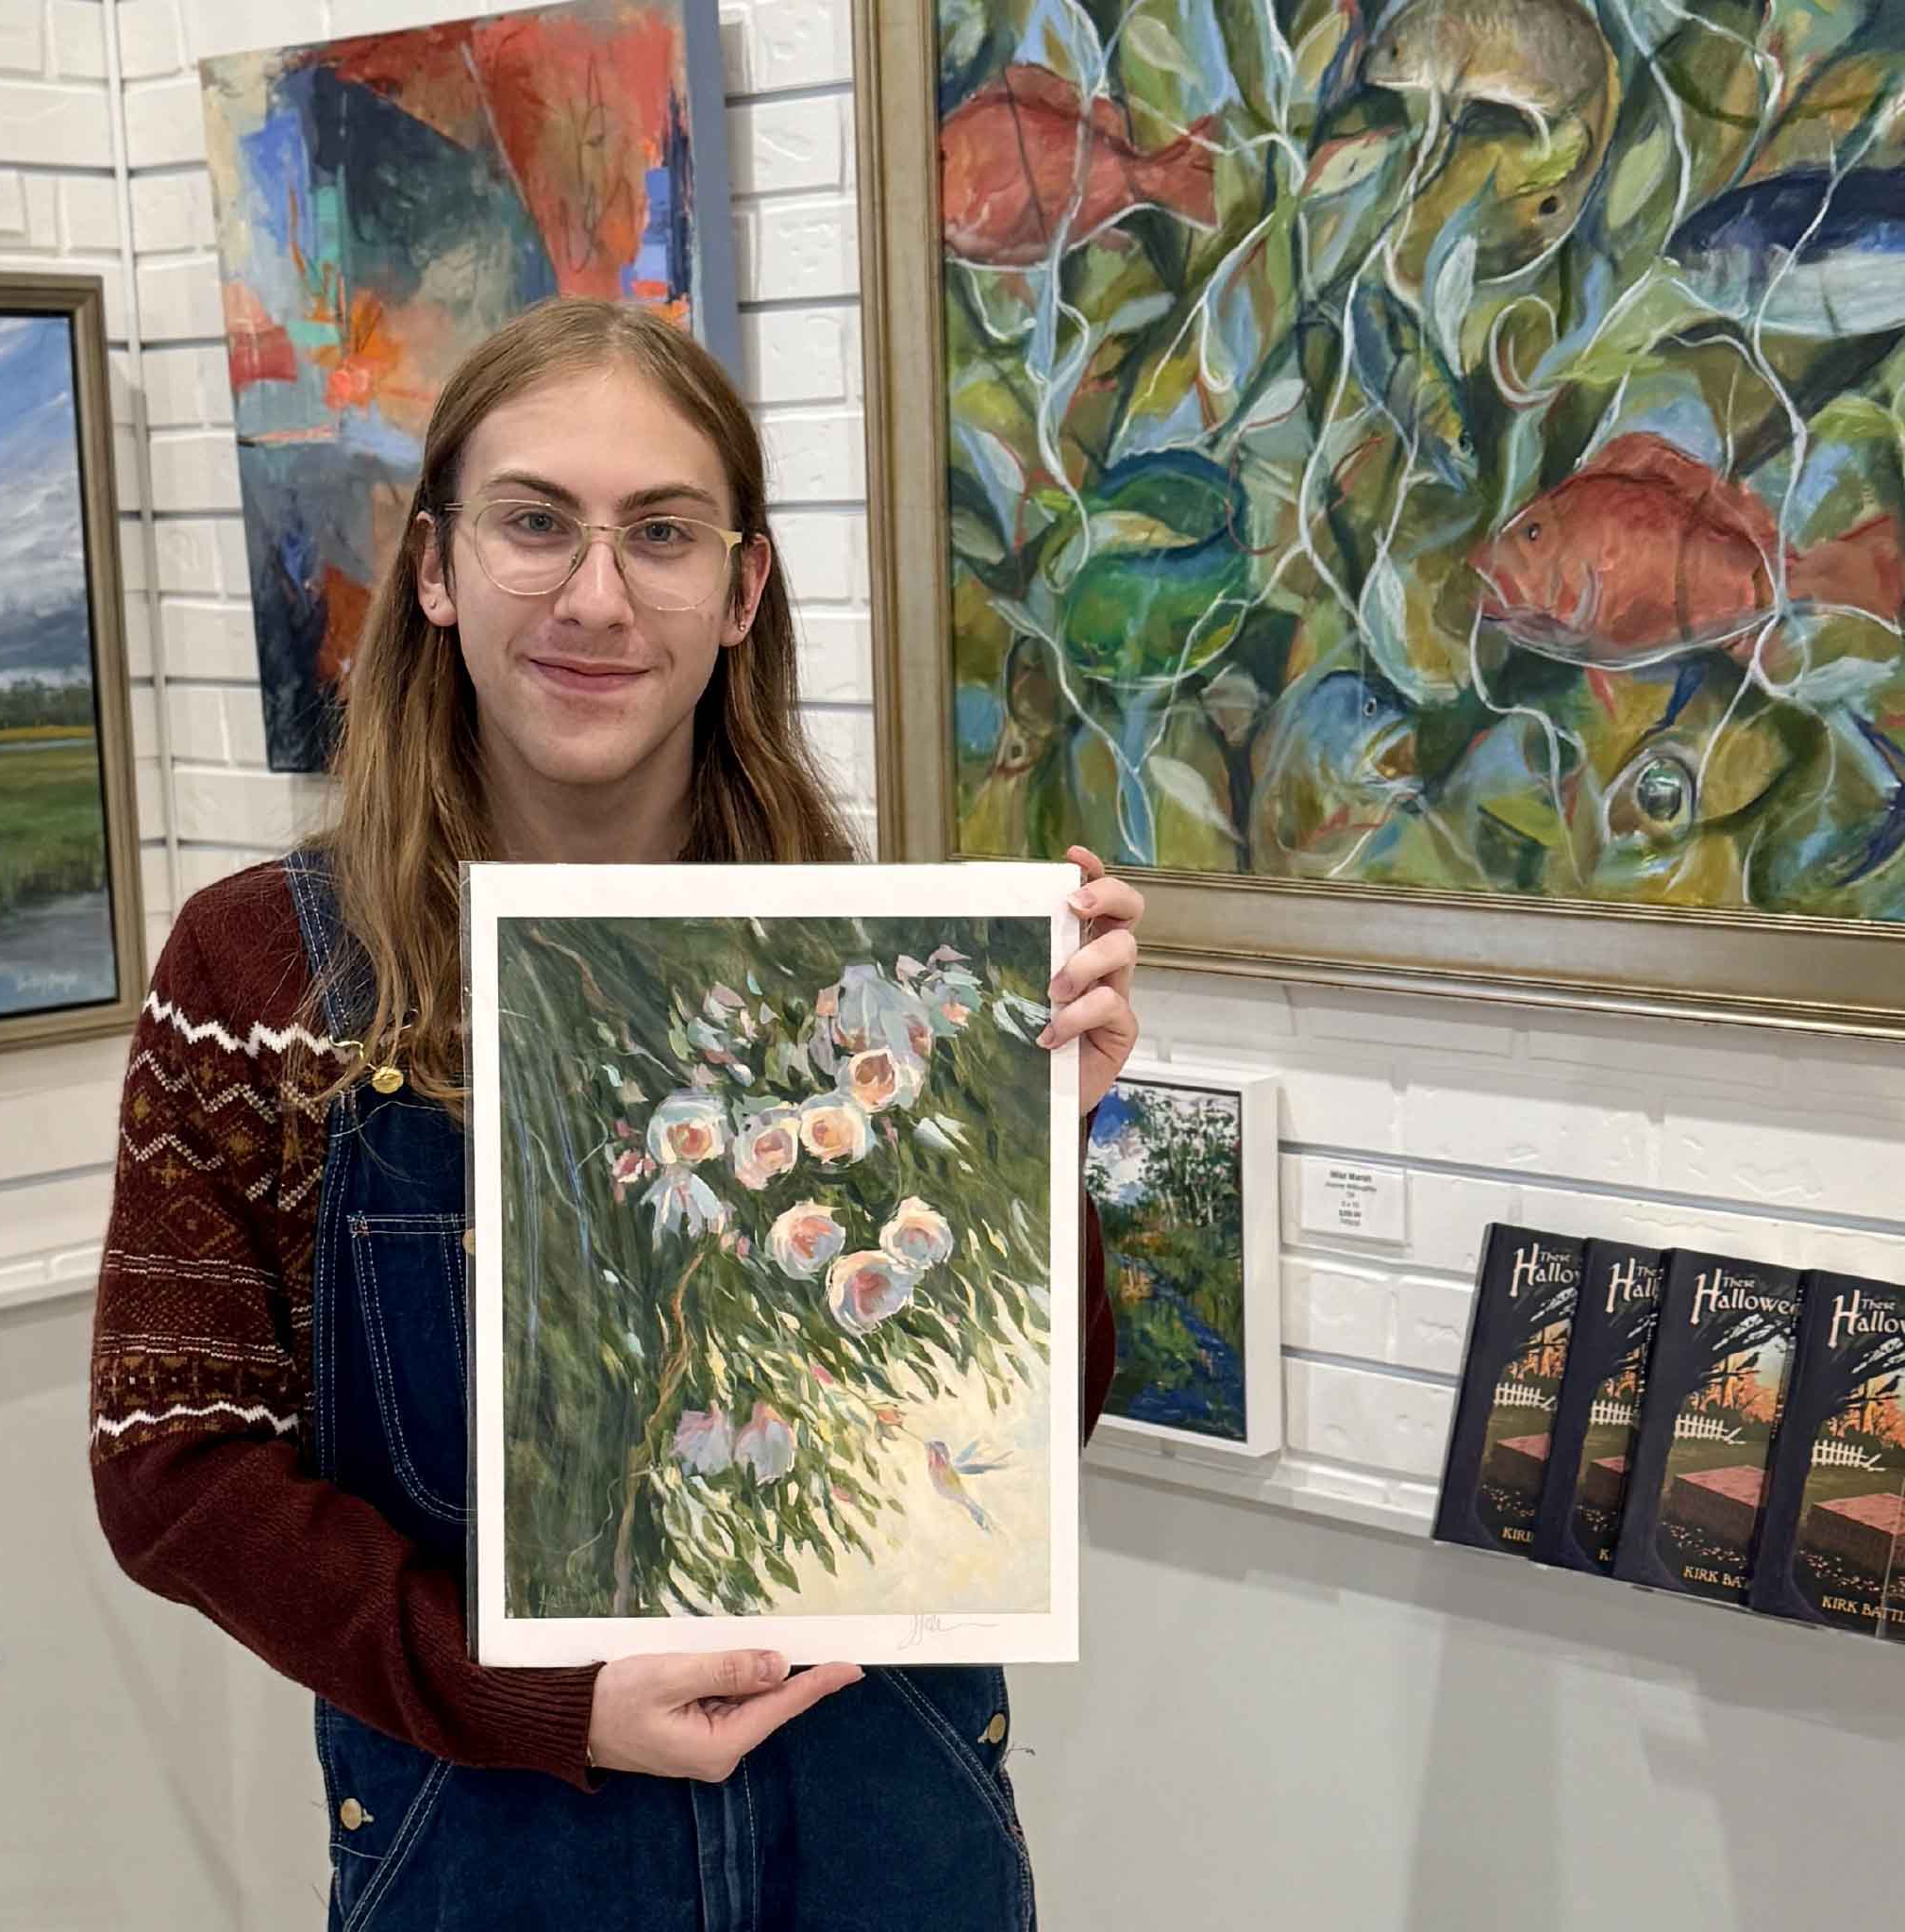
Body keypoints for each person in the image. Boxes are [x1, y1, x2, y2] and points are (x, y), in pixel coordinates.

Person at [90, 298, 1144, 1929]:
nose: (596, 597)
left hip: (885, 1835)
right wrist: (528, 1696)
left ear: (742, 589)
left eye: (660, 533)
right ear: (435, 568)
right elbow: (175, 1470)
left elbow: (1023, 1432)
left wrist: (1037, 1141)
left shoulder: (879, 968)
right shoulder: (261, 974)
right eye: (534, 523)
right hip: (493, 1845)